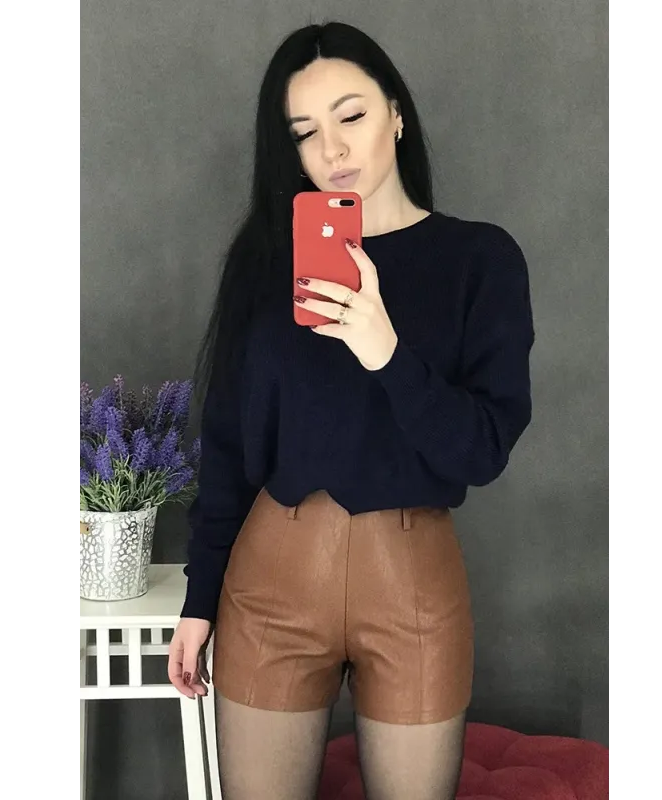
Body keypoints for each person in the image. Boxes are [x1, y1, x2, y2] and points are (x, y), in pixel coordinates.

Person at [167, 20, 535, 800]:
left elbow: (482, 449)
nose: (331, 148)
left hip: (414, 582)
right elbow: (226, 443)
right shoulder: (265, 264)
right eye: (305, 132)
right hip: (271, 576)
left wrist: (385, 350)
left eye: (352, 115)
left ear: (396, 113)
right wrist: (200, 602)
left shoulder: (480, 259)